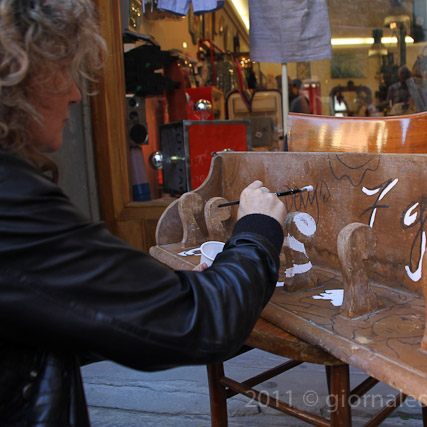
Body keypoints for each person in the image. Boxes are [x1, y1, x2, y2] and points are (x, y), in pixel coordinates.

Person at [0, 1, 286, 425]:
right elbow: (198, 323)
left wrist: (182, 292)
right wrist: (257, 230)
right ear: (17, 79)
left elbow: (62, 312)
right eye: (61, 71)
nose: (75, 94)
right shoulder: (12, 202)